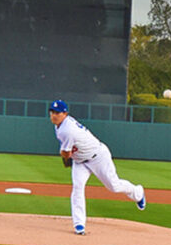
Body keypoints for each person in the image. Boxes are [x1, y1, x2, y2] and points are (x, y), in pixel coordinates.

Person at [50, 100, 146, 234]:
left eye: (57, 113)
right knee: (77, 188)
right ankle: (79, 224)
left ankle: (137, 193)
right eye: (52, 112)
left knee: (114, 186)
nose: (54, 115)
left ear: (65, 114)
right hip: (80, 162)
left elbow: (66, 153)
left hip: (98, 157)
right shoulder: (60, 125)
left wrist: (64, 155)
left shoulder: (67, 130)